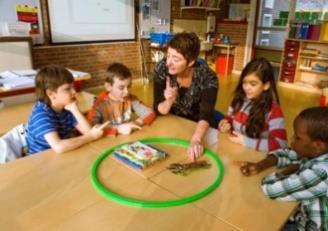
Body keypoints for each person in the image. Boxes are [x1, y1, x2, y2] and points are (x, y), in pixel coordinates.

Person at [240, 106, 328, 231]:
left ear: (318, 145)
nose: (291, 141)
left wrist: (290, 169)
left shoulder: (321, 172)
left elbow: (271, 189)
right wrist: (261, 165)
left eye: (297, 137)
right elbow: (290, 153)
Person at [153, 32, 218, 162]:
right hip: (171, 122)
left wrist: (196, 140)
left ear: (190, 62)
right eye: (168, 55)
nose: (168, 63)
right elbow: (158, 109)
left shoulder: (207, 77)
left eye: (176, 59)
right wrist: (168, 101)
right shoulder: (161, 68)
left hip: (196, 125)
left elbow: (206, 114)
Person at [26, 65, 108, 155]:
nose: (74, 92)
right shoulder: (41, 114)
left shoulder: (67, 107)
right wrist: (91, 136)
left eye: (73, 87)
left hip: (62, 154)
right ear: (51, 94)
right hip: (40, 159)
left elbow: (87, 131)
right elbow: (59, 147)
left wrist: (75, 110)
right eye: (67, 89)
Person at [218, 58, 287, 152]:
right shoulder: (238, 101)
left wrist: (246, 141)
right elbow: (229, 118)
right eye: (244, 83)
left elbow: (281, 144)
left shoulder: (274, 110)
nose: (247, 88)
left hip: (256, 156)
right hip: (235, 150)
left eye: (253, 84)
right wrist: (225, 124)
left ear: (266, 85)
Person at [87, 62, 156, 135]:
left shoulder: (130, 98)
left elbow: (150, 112)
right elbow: (91, 127)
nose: (126, 92)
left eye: (129, 86)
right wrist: (119, 129)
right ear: (108, 87)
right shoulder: (99, 104)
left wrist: (137, 122)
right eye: (121, 88)